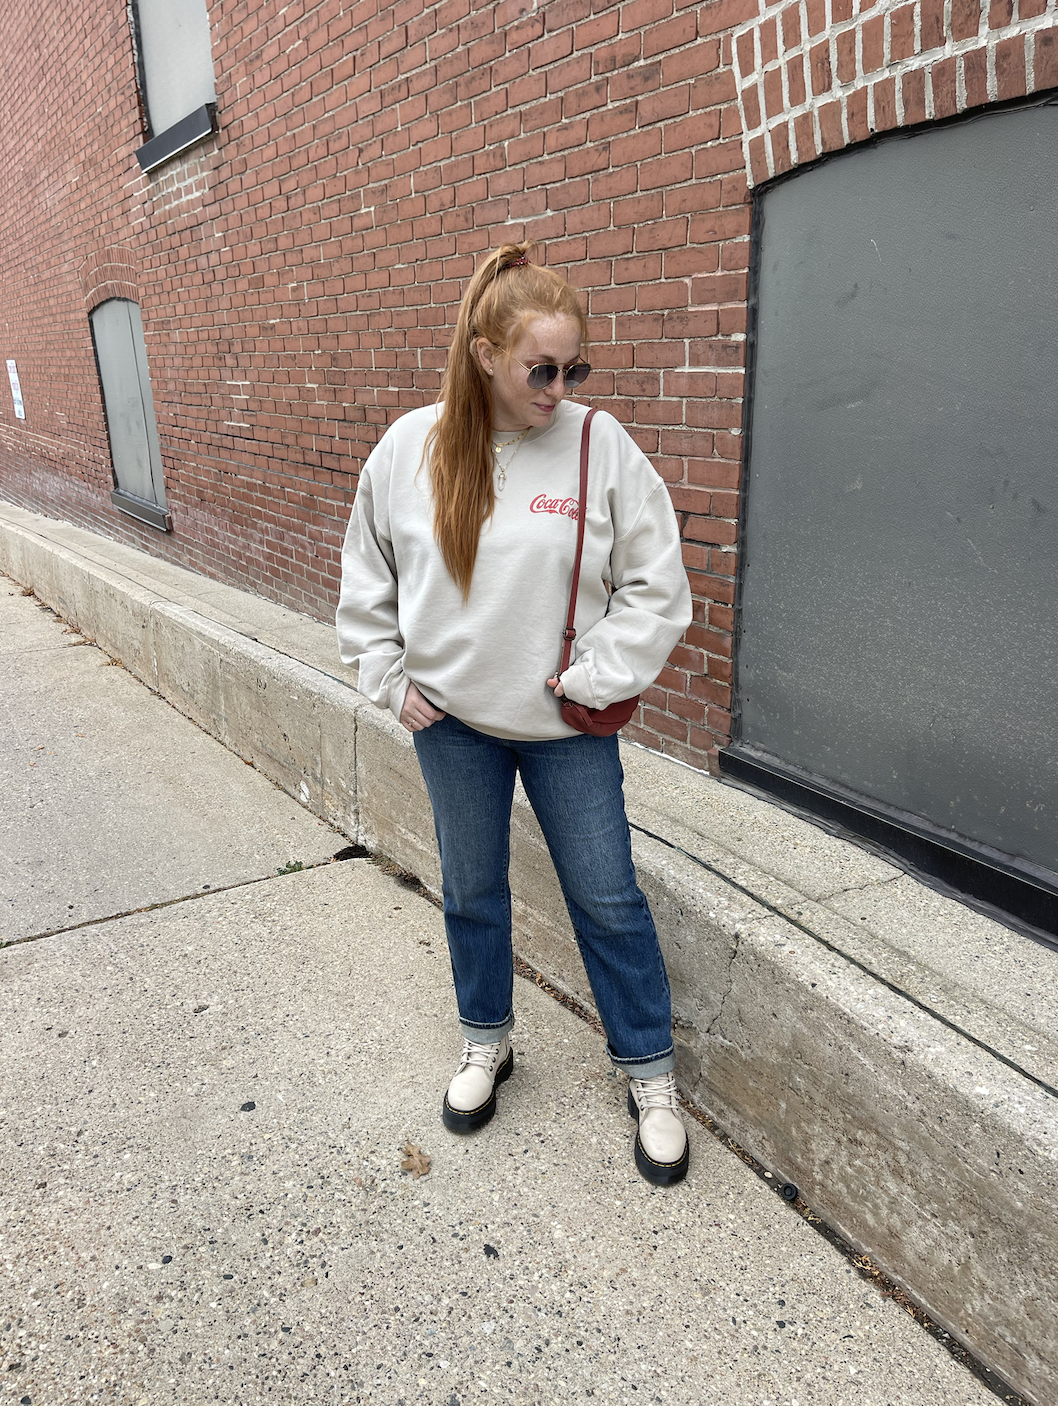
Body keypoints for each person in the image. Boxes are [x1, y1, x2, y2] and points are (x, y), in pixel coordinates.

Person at [336, 242, 693, 1186]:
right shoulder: (410, 447)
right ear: (486, 351)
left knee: (606, 895)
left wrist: (598, 674)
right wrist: (384, 675)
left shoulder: (597, 444)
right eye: (544, 368)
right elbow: (366, 573)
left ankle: (649, 1072)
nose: (562, 385)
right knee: (471, 890)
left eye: (578, 367)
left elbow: (658, 584)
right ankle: (485, 1041)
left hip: (563, 731)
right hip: (452, 725)